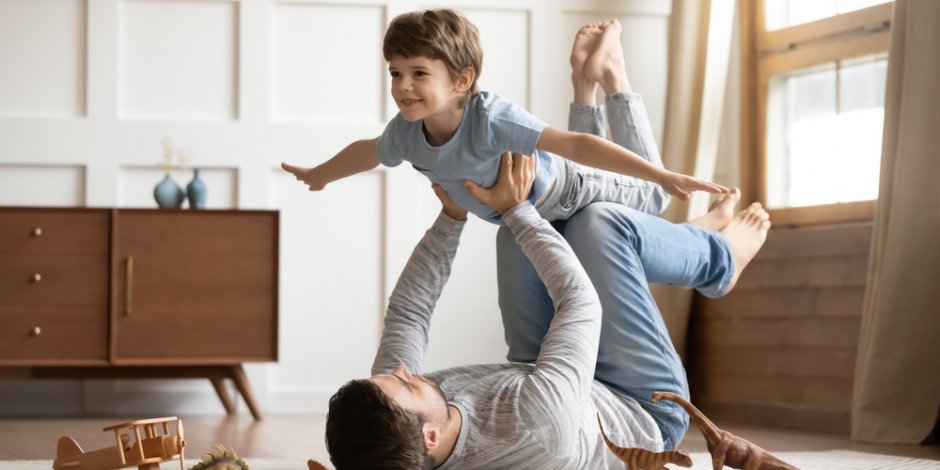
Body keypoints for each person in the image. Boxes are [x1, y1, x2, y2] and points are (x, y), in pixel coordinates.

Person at [324, 147, 770, 469]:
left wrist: (452, 217)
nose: (408, 372)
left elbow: (409, 312)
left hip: (545, 375)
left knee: (525, 229)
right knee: (597, 226)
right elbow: (580, 305)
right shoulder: (536, 427)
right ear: (430, 437)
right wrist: (516, 209)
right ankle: (719, 259)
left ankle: (680, 237)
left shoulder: (392, 419)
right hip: (642, 405)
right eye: (409, 386)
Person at [281, 10, 728, 226]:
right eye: (396, 73)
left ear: (461, 80)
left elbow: (574, 147)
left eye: (419, 74)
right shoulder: (406, 134)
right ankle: (586, 80)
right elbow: (368, 152)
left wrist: (662, 174)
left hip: (569, 190)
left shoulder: (490, 118)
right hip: (534, 212)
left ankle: (613, 77)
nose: (402, 86)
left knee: (654, 199)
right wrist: (321, 175)